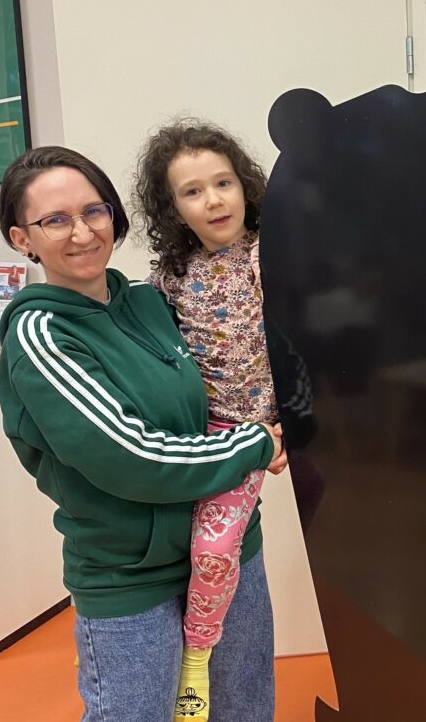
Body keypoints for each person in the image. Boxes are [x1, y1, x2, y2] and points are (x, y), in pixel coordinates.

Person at [0, 145, 286, 722]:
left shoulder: (151, 302)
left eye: (94, 211)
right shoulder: (41, 335)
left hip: (228, 551)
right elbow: (132, 456)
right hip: (133, 577)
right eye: (54, 220)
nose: (81, 232)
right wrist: (254, 444)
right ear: (20, 238)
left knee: (246, 710)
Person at [131, 119, 282, 722]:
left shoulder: (275, 253)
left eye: (223, 182)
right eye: (193, 191)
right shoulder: (172, 277)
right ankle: (197, 656)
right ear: (173, 208)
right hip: (210, 432)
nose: (213, 199)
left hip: (269, 424)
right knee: (207, 547)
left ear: (245, 186)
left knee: (217, 545)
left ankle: (197, 651)